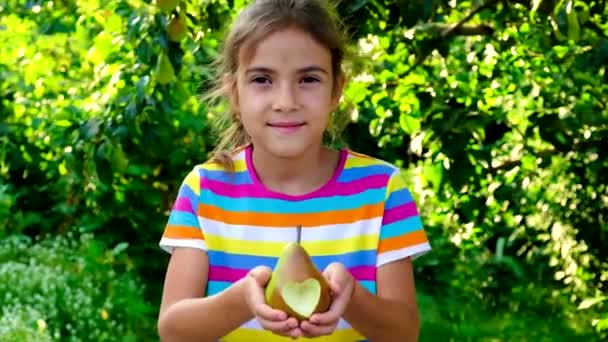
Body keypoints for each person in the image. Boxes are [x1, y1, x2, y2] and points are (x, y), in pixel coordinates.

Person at [156, 0, 432, 341]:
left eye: (308, 79)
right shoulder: (205, 190)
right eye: (262, 79)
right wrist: (243, 299)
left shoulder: (381, 189)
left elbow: (404, 331)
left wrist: (352, 298)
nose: (286, 101)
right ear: (235, 93)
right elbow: (172, 329)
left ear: (337, 90)